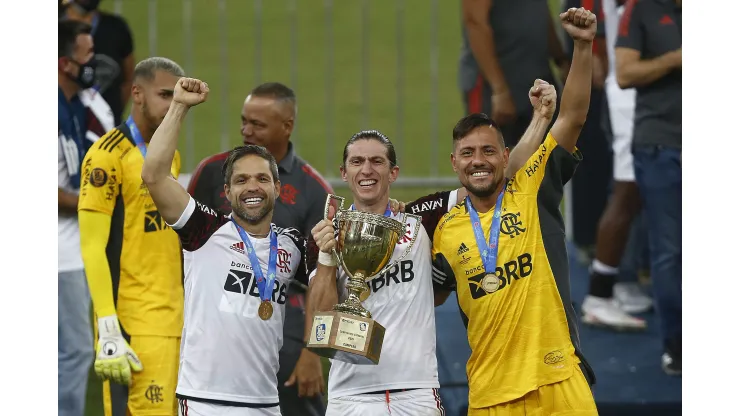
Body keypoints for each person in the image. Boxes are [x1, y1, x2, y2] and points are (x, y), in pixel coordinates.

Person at [306, 77, 558, 415]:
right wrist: (326, 258)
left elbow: (498, 175)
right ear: (344, 172)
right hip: (351, 395)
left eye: (377, 161)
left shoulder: (422, 218)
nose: (367, 169)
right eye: (357, 162)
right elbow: (320, 323)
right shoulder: (330, 234)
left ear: (393, 172)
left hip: (418, 391)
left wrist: (541, 119)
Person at [431, 8, 598, 415]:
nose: (479, 161)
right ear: (455, 163)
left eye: (489, 151)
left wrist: (581, 45)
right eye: (467, 153)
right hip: (491, 396)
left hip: (557, 379)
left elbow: (573, 116)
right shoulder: (445, 230)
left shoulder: (532, 188)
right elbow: (434, 297)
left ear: (506, 158)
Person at [141, 76, 324, 416]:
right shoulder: (204, 230)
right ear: (226, 192)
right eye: (241, 180)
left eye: (261, 178)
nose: (252, 187)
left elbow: (330, 285)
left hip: (267, 404)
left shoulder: (292, 246)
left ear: (277, 187)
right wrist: (179, 105)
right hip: (205, 402)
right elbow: (153, 174)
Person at [78, 57, 187, 416]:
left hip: (175, 318)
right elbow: (92, 246)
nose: (173, 106)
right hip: (134, 324)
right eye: (165, 95)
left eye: (178, 98)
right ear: (137, 93)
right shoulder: (107, 157)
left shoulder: (169, 156)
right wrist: (108, 325)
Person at [616, 0, 682, 376]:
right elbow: (624, 72)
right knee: (669, 252)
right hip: (662, 147)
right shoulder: (639, 9)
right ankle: (677, 347)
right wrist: (675, 60)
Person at [580, 0, 651, 331]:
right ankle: (600, 293)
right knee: (627, 193)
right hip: (632, 97)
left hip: (640, 95)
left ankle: (608, 289)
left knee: (633, 194)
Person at [58, 19, 114, 416]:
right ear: (64, 62)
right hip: (58, 256)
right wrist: (95, 204)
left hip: (70, 249)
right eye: (86, 54)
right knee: (77, 351)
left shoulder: (76, 106)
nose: (93, 61)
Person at [459, 0, 568, 148]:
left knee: (544, 162)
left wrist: (560, 58)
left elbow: (539, 11)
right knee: (491, 161)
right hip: (495, 87)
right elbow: (475, 22)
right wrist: (500, 91)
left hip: (537, 78)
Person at [62, 0, 135, 125]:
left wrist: (108, 113)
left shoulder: (117, 28)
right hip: (67, 126)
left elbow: (129, 79)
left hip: (108, 127)